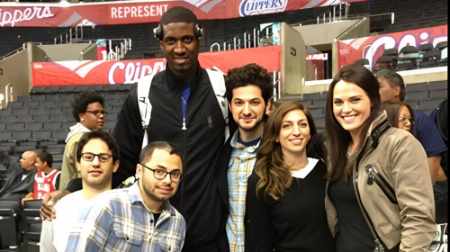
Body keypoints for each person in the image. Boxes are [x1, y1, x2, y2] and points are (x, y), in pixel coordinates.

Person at [41, 7, 229, 252]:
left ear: (199, 40)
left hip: (209, 236)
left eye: (187, 40)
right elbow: (120, 161)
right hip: (156, 234)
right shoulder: (142, 94)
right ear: (161, 43)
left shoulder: (222, 90)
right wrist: (73, 189)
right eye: (171, 40)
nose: (180, 48)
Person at [326, 64, 435, 251]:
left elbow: (418, 218)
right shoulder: (334, 150)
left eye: (355, 100)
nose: (346, 109)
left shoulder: (400, 144)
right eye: (338, 102)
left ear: (372, 101)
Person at [245, 101, 334, 252]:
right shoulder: (262, 181)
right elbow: (260, 242)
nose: (296, 131)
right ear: (276, 136)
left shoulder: (325, 169)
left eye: (302, 124)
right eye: (287, 126)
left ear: (311, 132)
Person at [65, 141, 185, 252]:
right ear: (139, 171)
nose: (168, 180)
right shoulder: (108, 206)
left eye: (175, 174)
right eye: (159, 171)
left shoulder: (177, 222)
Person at [217, 63, 272, 252]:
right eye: (239, 103)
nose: (246, 111)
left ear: (268, 105)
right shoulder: (221, 153)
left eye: (254, 102)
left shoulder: (280, 151)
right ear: (230, 106)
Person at [40, 130, 119, 252]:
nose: (95, 163)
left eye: (104, 158)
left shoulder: (129, 209)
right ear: (78, 164)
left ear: (115, 165)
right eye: (88, 157)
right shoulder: (56, 209)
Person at [374, 68, 447, 184]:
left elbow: (433, 166)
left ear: (396, 90)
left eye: (379, 86)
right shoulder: (373, 122)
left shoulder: (420, 120)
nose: (373, 91)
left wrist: (422, 197)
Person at [59, 91, 105, 190]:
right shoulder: (80, 140)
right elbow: (83, 177)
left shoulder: (78, 136)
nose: (101, 116)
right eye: (96, 113)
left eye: (102, 112)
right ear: (81, 116)